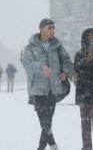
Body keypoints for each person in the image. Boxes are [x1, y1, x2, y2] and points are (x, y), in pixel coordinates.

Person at [22, 18, 73, 150]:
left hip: (53, 89)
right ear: (41, 29)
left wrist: (65, 73)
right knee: (44, 123)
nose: (52, 31)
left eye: (53, 28)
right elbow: (27, 64)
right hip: (38, 90)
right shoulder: (30, 47)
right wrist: (41, 67)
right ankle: (51, 144)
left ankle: (44, 147)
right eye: (49, 28)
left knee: (47, 122)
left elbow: (68, 62)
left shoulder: (57, 46)